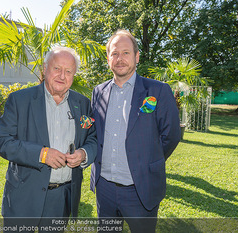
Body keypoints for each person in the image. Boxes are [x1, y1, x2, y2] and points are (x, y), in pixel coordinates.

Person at [0, 46, 97, 232]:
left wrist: (83, 153)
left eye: (68, 71)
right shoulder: (19, 100)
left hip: (60, 199)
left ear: (74, 75)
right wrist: (41, 154)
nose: (62, 76)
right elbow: (2, 141)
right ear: (45, 68)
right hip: (24, 195)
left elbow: (93, 139)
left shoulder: (82, 104)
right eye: (57, 68)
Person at [90, 30, 181, 233]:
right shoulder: (98, 92)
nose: (119, 59)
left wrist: (147, 161)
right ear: (108, 58)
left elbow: (171, 135)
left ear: (137, 56)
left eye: (126, 53)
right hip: (104, 189)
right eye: (114, 54)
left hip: (140, 190)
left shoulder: (157, 91)